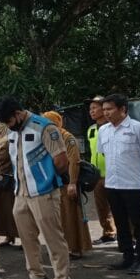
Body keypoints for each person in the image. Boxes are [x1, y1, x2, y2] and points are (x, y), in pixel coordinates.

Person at [0, 96, 73, 279]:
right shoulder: (12, 131)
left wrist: (47, 179)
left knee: (53, 238)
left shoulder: (44, 127)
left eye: (9, 121)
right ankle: (37, 276)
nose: (8, 126)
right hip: (21, 193)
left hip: (43, 192)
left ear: (18, 114)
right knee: (27, 238)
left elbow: (62, 160)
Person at [98, 94, 140, 275]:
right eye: (104, 110)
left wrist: (137, 167)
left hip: (132, 184)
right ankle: (127, 256)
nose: (106, 113)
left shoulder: (138, 128)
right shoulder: (104, 131)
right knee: (121, 222)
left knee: (138, 222)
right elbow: (103, 154)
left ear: (123, 109)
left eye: (110, 109)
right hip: (112, 183)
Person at [42, 111, 92, 259]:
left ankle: (75, 248)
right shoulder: (51, 138)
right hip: (55, 183)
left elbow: (74, 162)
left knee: (71, 216)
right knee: (59, 217)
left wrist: (72, 183)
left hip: (67, 182)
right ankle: (63, 247)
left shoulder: (67, 138)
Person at [86, 96, 117, 245]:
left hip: (113, 173)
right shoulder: (91, 130)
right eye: (90, 108)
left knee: (119, 205)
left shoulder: (113, 127)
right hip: (97, 175)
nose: (91, 111)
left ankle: (130, 236)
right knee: (101, 206)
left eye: (94, 108)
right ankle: (108, 232)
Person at [0, 123, 18, 246]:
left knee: (12, 209)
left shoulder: (8, 141)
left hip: (8, 179)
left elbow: (8, 157)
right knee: (1, 209)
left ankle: (21, 236)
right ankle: (8, 236)